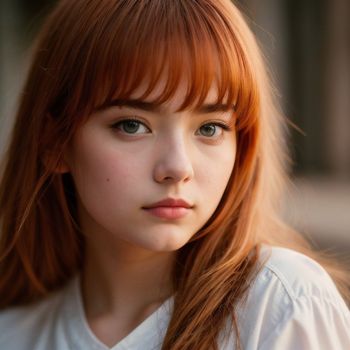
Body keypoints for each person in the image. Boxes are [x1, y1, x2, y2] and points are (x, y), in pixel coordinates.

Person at [0, 0, 349, 349]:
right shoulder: (15, 335)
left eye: (210, 128)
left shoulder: (279, 306)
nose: (178, 168)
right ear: (56, 143)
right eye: (132, 125)